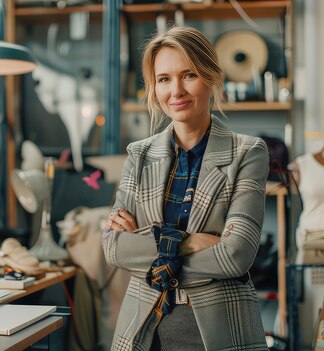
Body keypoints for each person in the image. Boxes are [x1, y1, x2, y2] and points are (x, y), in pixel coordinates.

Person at [102, 26, 268, 350]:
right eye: (164, 79)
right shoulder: (139, 155)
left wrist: (150, 243)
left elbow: (237, 256)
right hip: (144, 333)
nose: (175, 90)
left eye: (188, 75)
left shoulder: (248, 153)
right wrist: (193, 243)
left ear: (211, 77)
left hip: (220, 334)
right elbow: (114, 248)